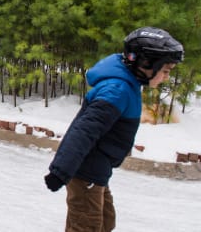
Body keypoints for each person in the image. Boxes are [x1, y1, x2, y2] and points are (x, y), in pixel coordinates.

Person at [43, 27, 184, 232]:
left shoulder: (128, 83)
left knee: (105, 222)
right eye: (165, 71)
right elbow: (84, 130)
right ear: (145, 63)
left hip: (97, 170)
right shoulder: (117, 90)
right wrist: (60, 171)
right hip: (85, 171)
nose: (166, 78)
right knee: (87, 226)